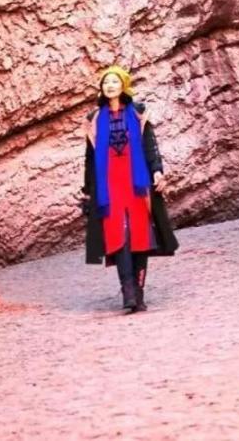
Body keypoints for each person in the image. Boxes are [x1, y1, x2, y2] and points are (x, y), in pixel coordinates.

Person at [81, 65, 178, 313]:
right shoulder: (94, 120)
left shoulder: (138, 113)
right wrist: (87, 189)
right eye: (106, 82)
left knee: (140, 236)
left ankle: (139, 291)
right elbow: (90, 158)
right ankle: (128, 293)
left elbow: (149, 146)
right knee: (118, 236)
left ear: (123, 85)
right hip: (108, 186)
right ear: (102, 89)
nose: (110, 86)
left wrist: (157, 170)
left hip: (138, 183)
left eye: (114, 81)